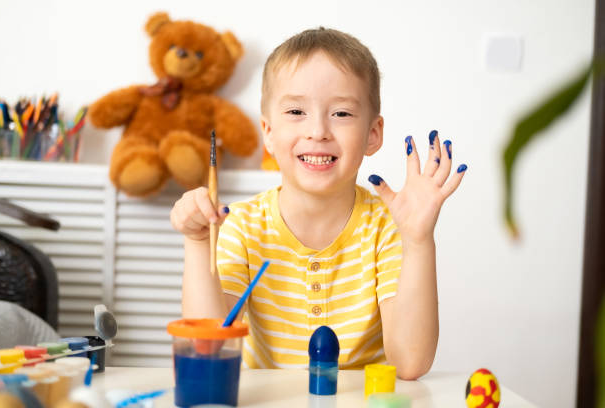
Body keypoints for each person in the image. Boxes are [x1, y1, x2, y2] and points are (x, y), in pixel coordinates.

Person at [170, 27, 467, 380]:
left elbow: (409, 363)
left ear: (373, 134)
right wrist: (198, 242)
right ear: (268, 131)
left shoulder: (388, 226)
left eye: (341, 114)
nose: (318, 131)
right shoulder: (242, 225)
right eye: (296, 111)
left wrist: (418, 242)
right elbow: (209, 345)